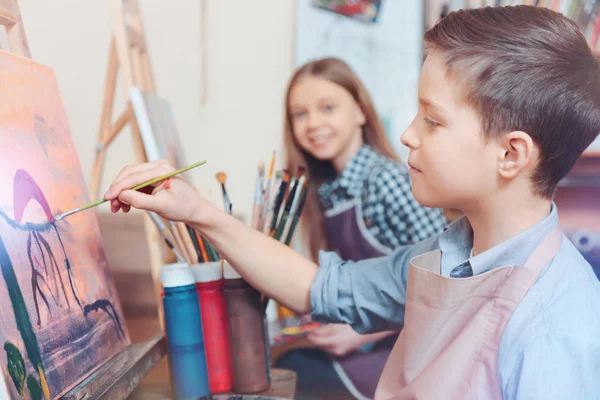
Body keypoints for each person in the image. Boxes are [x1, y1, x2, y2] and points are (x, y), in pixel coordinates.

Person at [104, 6, 600, 399]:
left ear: (511, 154)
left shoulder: (559, 325)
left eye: (432, 119)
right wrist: (198, 212)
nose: (406, 134)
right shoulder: (444, 253)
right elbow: (322, 288)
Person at [277, 57, 447, 399]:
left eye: (327, 107)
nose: (313, 123)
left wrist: (362, 334)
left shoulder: (386, 181)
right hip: (383, 347)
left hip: (418, 356)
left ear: (360, 111)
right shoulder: (328, 192)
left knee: (296, 373)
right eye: (300, 113)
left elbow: (444, 284)